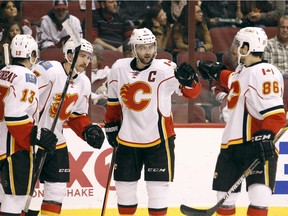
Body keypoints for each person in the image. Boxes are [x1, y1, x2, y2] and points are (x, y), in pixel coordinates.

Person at [104, 27, 201, 216]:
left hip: (159, 140)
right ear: (133, 49)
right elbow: (113, 102)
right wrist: (110, 125)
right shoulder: (118, 68)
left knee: (157, 192)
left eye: (150, 46)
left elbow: (191, 93)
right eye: (142, 47)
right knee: (124, 191)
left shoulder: (166, 68)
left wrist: (191, 81)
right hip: (127, 139)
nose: (147, 51)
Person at [197, 27, 286, 215]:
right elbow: (233, 80)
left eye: (239, 44)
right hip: (231, 144)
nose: (235, 48)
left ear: (248, 46)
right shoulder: (241, 70)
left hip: (256, 144)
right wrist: (216, 71)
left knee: (259, 199)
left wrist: (266, 134)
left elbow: (276, 114)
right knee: (224, 200)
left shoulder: (265, 71)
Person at [25, 38, 105, 215]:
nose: (86, 61)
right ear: (69, 55)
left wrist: (87, 130)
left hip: (56, 141)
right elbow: (26, 100)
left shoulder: (83, 82)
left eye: (88, 57)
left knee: (57, 190)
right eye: (82, 56)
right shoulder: (49, 71)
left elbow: (76, 115)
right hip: (32, 139)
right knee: (21, 193)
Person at [0, 34, 57, 215]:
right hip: (14, 148)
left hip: (1, 144)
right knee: (15, 198)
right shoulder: (27, 77)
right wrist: (38, 136)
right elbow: (15, 118)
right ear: (31, 54)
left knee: (3, 197)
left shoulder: (3, 71)